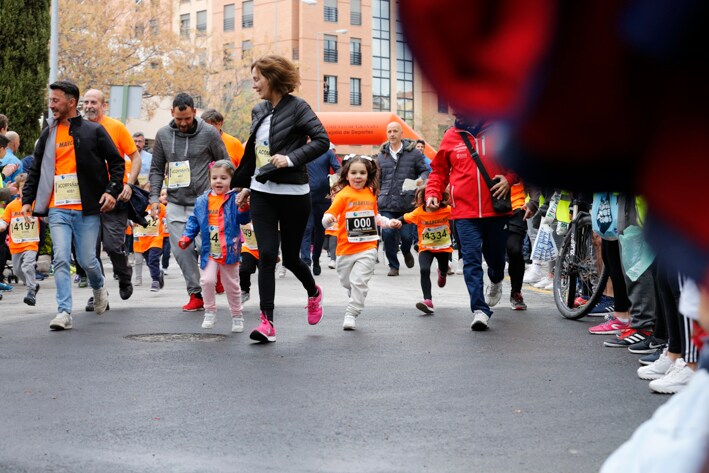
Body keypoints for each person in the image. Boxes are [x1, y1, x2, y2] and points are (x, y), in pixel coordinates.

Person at [232, 54, 329, 343]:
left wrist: (290, 159)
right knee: (265, 255)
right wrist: (248, 184)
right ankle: (267, 322)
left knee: (291, 258)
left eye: (257, 79)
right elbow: (258, 152)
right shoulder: (258, 110)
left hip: (294, 193)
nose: (254, 85)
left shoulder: (299, 108)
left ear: (272, 78)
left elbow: (322, 140)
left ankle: (313, 292)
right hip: (262, 193)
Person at [21, 80, 124, 330]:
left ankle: (99, 288)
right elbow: (35, 169)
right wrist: (27, 200)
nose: (51, 105)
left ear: (71, 102)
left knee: (88, 261)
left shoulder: (93, 131)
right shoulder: (48, 133)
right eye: (50, 101)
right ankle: (64, 312)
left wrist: (112, 191)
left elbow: (117, 163)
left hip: (87, 208)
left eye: (56, 101)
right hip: (57, 208)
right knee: (60, 259)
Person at [425, 116, 516, 331]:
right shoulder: (450, 136)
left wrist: (509, 179)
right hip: (464, 213)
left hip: (496, 210)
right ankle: (480, 310)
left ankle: (495, 279)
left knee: (495, 259)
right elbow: (438, 170)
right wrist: (432, 193)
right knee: (471, 260)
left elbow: (520, 161)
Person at [149, 93, 229, 312]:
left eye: (187, 118)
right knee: (181, 250)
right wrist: (154, 197)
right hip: (175, 202)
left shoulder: (210, 133)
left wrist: (222, 189)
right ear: (172, 114)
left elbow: (225, 161)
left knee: (206, 246)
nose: (183, 123)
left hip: (204, 202)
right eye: (178, 119)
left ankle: (215, 274)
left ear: (195, 112)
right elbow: (156, 168)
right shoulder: (164, 135)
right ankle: (195, 294)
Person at [322, 155, 401, 330]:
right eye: (354, 173)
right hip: (345, 248)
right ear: (347, 175)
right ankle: (355, 293)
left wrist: (388, 222)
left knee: (359, 282)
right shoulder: (343, 195)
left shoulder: (371, 193)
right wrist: (327, 220)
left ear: (368, 174)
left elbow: (375, 216)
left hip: (367, 246)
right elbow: (330, 214)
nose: (358, 176)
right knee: (346, 282)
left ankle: (351, 313)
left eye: (362, 173)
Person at [82, 88, 142, 306]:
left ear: (103, 105)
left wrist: (129, 184)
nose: (89, 106)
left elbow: (135, 158)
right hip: (88, 197)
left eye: (93, 102)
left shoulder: (115, 127)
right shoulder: (77, 127)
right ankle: (100, 294)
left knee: (112, 245)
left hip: (115, 194)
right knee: (90, 250)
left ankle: (124, 277)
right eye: (86, 102)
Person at [179, 160, 250, 332]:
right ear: (209, 179)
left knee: (232, 285)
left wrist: (243, 208)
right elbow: (194, 220)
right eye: (215, 178)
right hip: (210, 249)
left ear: (232, 180)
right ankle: (210, 311)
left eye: (224, 178)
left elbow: (243, 220)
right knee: (206, 280)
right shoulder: (203, 200)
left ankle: (237, 315)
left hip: (229, 250)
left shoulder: (235, 199)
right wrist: (187, 236)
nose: (218, 181)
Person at [376, 121, 429, 276]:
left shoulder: (414, 154)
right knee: (388, 234)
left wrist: (421, 179)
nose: (392, 134)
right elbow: (377, 179)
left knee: (406, 237)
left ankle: (406, 251)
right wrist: (376, 194)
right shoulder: (381, 156)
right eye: (389, 131)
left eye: (395, 131)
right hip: (386, 202)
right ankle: (394, 265)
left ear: (401, 133)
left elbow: (425, 171)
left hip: (407, 202)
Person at [399, 186, 452, 315]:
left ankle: (442, 272)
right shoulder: (418, 212)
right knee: (424, 270)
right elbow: (404, 219)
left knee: (444, 269)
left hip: (443, 249)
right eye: (430, 198)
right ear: (424, 199)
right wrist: (394, 222)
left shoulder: (448, 210)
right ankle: (428, 300)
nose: (434, 202)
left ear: (441, 198)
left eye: (437, 198)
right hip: (426, 248)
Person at [300, 142, 341, 274]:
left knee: (320, 230)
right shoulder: (302, 152)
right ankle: (306, 261)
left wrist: (339, 182)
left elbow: (338, 169)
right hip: (306, 195)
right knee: (306, 228)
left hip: (324, 197)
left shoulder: (327, 152)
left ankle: (316, 258)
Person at [0, 173, 40, 305]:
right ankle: (33, 284)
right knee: (17, 270)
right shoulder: (12, 206)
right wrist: (2, 225)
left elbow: (44, 216)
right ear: (17, 190)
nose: (26, 191)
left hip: (31, 242)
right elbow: (5, 219)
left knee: (27, 266)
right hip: (16, 244)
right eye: (23, 188)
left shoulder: (35, 204)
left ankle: (31, 292)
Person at [133, 199, 165, 291]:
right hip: (143, 241)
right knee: (149, 262)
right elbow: (130, 220)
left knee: (153, 259)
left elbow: (169, 216)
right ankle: (158, 275)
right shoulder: (137, 207)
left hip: (156, 238)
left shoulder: (160, 207)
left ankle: (155, 281)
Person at [158, 188, 171, 275]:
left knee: (166, 252)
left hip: (168, 234)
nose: (164, 197)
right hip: (159, 235)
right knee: (158, 251)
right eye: (162, 195)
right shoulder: (157, 207)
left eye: (166, 194)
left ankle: (165, 267)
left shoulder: (172, 207)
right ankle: (157, 266)